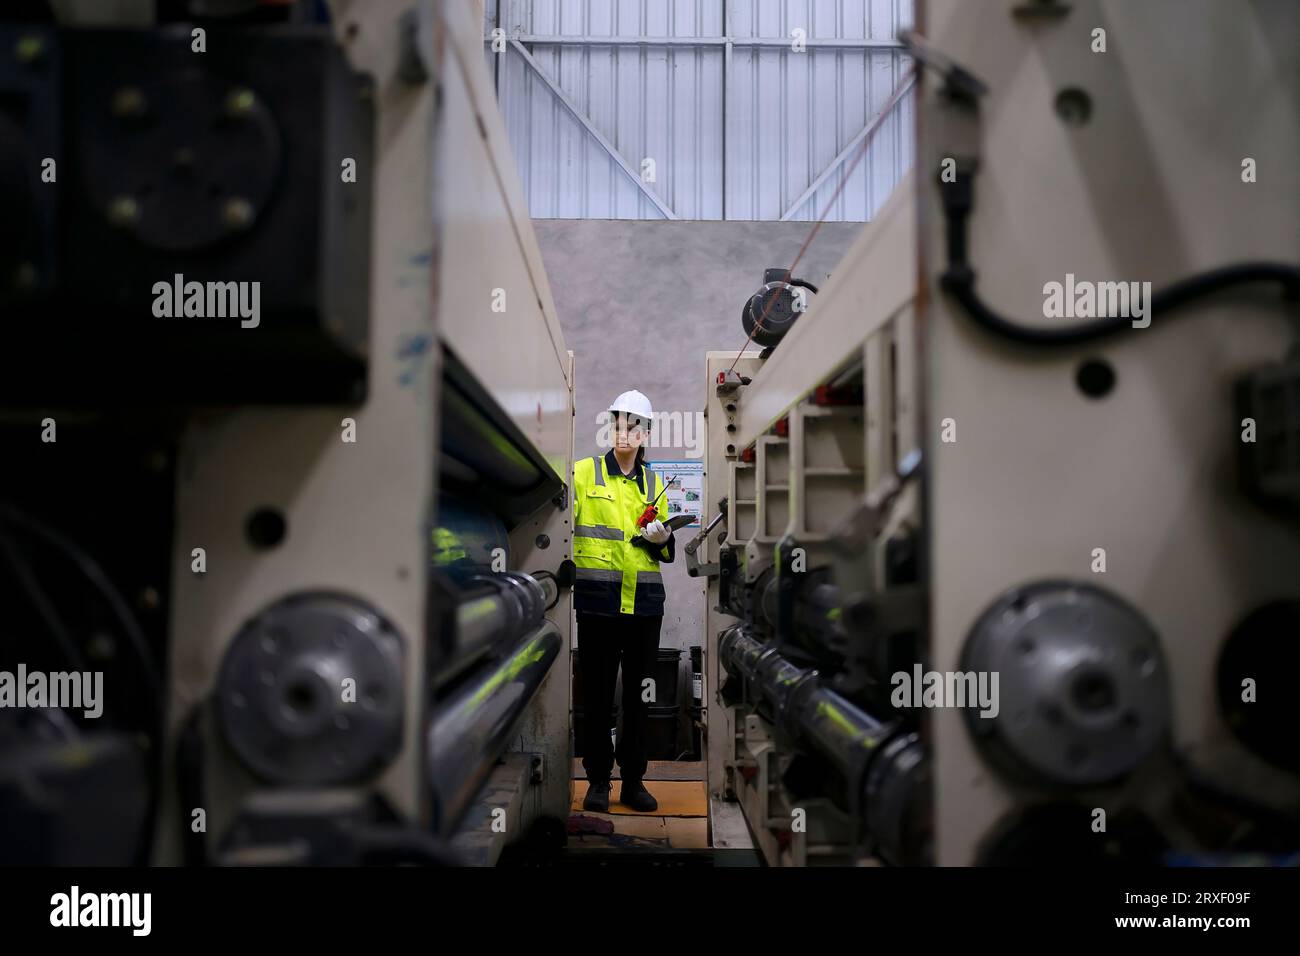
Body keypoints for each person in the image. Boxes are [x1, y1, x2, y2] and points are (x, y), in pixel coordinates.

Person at [573, 389, 675, 813]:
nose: (624, 431)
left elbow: (665, 552)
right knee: (596, 697)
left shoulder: (655, 482)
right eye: (617, 422)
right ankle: (598, 781)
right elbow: (560, 528)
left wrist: (663, 538)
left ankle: (633, 781)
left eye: (633, 425)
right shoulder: (583, 473)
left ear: (645, 432)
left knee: (639, 698)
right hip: (598, 605)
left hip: (644, 609)